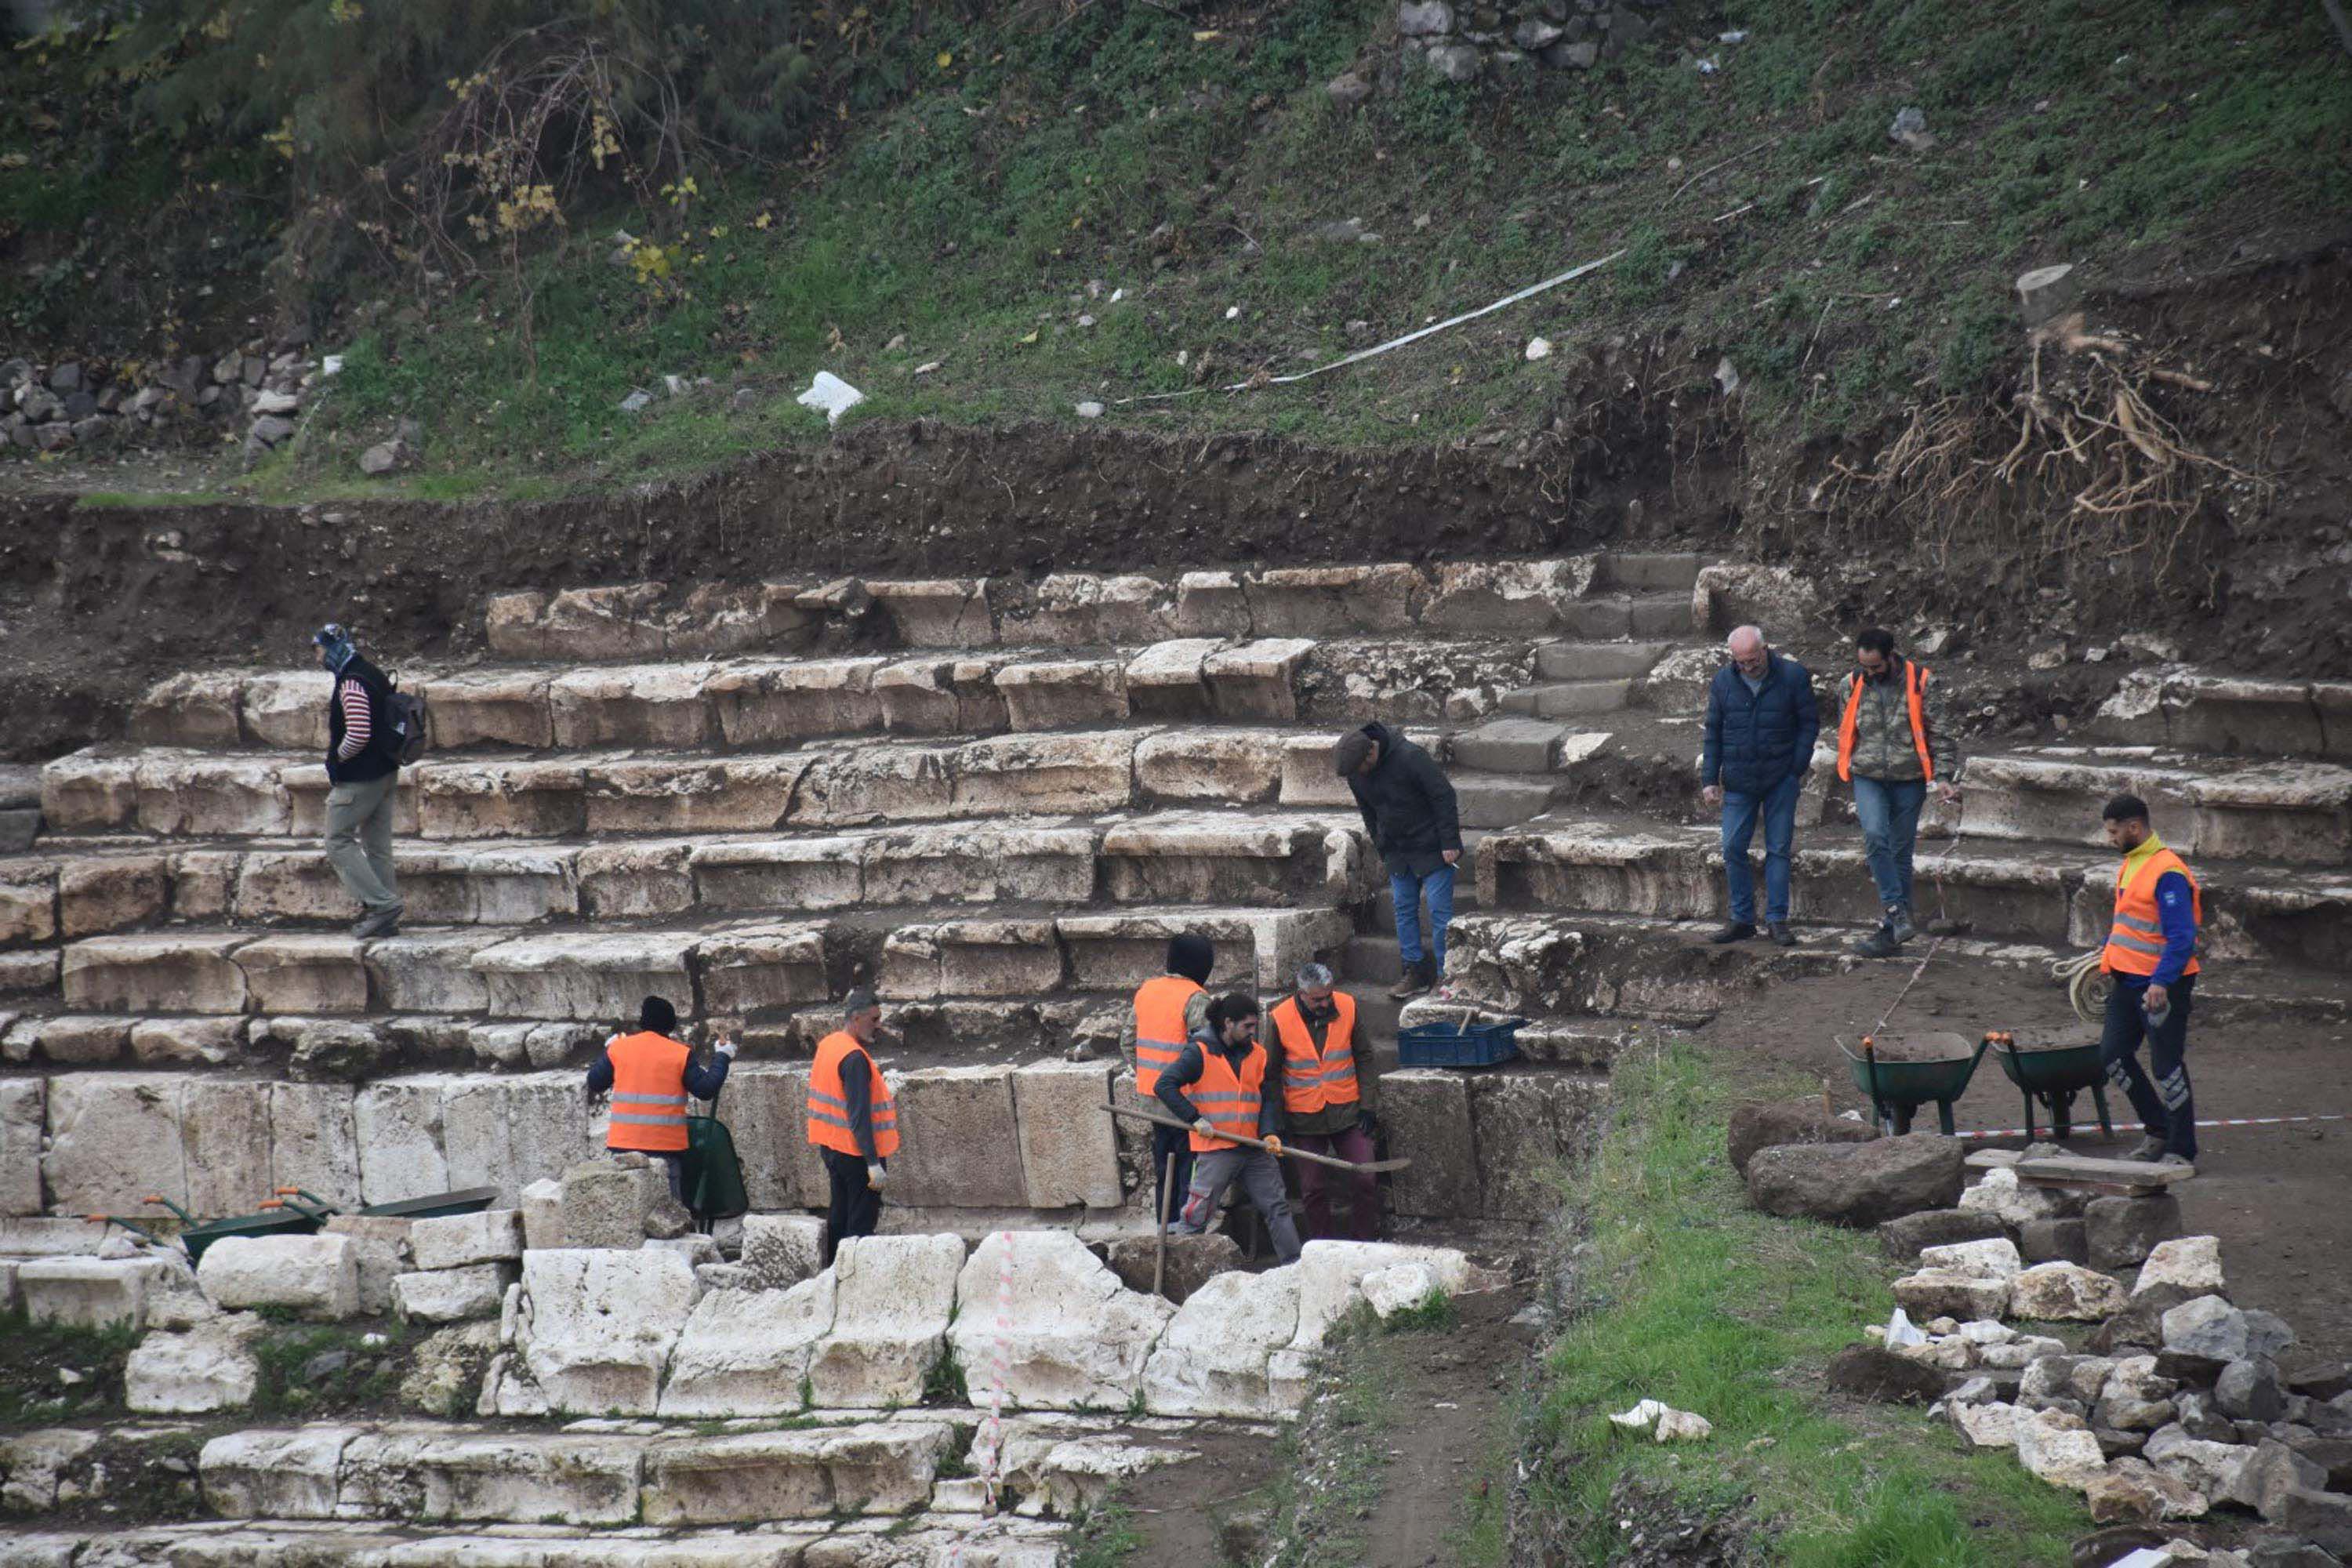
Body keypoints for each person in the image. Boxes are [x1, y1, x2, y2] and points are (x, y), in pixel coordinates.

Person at [1837, 627, 1962, 958]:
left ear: (1891, 656)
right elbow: (1847, 728)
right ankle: (1896, 911)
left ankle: (1892, 934)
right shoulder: (1850, 684)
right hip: (1867, 776)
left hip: (1910, 779)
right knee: (1875, 836)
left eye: (1875, 667)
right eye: (1864, 667)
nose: (1870, 673)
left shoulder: (1922, 682)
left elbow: (1941, 733)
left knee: (1900, 852)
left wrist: (1944, 775)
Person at [1157, 992, 1303, 1263]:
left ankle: (1294, 1265)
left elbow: (1268, 1097)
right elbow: (1164, 1085)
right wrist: (1195, 1119)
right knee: (1196, 1214)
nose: (1252, 1032)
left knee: (1277, 1207)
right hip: (1217, 1149)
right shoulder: (1198, 1052)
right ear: (1227, 1024)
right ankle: (1182, 1268)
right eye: (1247, 1026)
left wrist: (1269, 1131)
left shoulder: (1258, 1054)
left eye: (1254, 1026)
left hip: (1254, 1147)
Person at [2096, 795, 2200, 1167]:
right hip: (2127, 982)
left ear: (2134, 828)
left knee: (2166, 1066)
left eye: (2113, 832)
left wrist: (2161, 981)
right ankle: (2158, 1130)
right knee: (2112, 1056)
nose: (2110, 838)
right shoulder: (2132, 863)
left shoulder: (2168, 872)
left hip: (2160, 986)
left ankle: (2180, 1149)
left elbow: (2182, 937)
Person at [1700, 625, 1818, 947]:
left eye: (1753, 660)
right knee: (1732, 847)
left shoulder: (1793, 676)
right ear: (1733, 659)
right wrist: (1710, 779)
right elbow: (1713, 731)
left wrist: (1796, 767)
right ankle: (1742, 919)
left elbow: (1809, 723)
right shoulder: (1724, 682)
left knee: (1778, 849)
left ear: (1765, 649)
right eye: (1742, 662)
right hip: (1739, 779)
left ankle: (1777, 920)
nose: (1749, 667)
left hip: (1781, 777)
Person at [1333, 723, 1463, 1000]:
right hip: (1397, 850)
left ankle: (1445, 973)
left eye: (1359, 769)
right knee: (1404, 910)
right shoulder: (1357, 774)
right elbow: (1367, 811)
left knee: (1440, 913)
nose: (1357, 776)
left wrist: (1450, 841)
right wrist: (1382, 847)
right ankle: (1413, 971)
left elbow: (1443, 795)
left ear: (1371, 753)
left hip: (1432, 847)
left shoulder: (1410, 757)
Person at [585, 996, 737, 1202]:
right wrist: (722, 1056)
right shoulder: (680, 1054)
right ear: (671, 1025)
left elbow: (595, 1081)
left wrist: (608, 1051)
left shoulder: (619, 1049)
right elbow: (706, 1089)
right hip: (665, 1149)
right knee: (669, 1213)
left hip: (623, 1147)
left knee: (628, 1211)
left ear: (642, 1021)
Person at [1268, 963, 1378, 1242]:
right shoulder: (1280, 1018)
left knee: (1365, 1177)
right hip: (1304, 1118)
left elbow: (1365, 1056)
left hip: (1348, 1112)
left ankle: (1362, 1242)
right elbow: (1270, 1075)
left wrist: (1368, 1105)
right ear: (1302, 995)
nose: (1325, 1002)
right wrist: (1275, 1122)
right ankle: (1323, 1246)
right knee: (1313, 1188)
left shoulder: (1348, 1006)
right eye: (1318, 999)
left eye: (1328, 996)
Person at [314, 623, 406, 937]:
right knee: (377, 845)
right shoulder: (372, 671)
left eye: (320, 649)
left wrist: (337, 757)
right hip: (385, 772)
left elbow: (358, 733)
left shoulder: (351, 683)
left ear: (332, 649)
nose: (318, 657)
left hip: (360, 779)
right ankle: (387, 920)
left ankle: (382, 904)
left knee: (337, 840)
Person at [1123, 933, 1214, 1228]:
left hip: (1152, 1098)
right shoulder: (1196, 997)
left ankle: (1166, 1223)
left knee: (1165, 1165)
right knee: (1188, 1167)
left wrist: (1150, 1075)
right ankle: (1184, 1226)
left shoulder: (1147, 990)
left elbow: (1127, 1041)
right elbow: (1203, 1050)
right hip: (1185, 1101)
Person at [808, 990, 898, 1259]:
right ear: (856, 1018)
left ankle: (833, 1270)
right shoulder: (855, 1059)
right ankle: (855, 1278)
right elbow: (859, 1115)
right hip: (856, 1154)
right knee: (860, 1223)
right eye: (874, 1019)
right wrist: (873, 1163)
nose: (878, 1025)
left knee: (839, 1214)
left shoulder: (830, 1044)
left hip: (832, 1147)